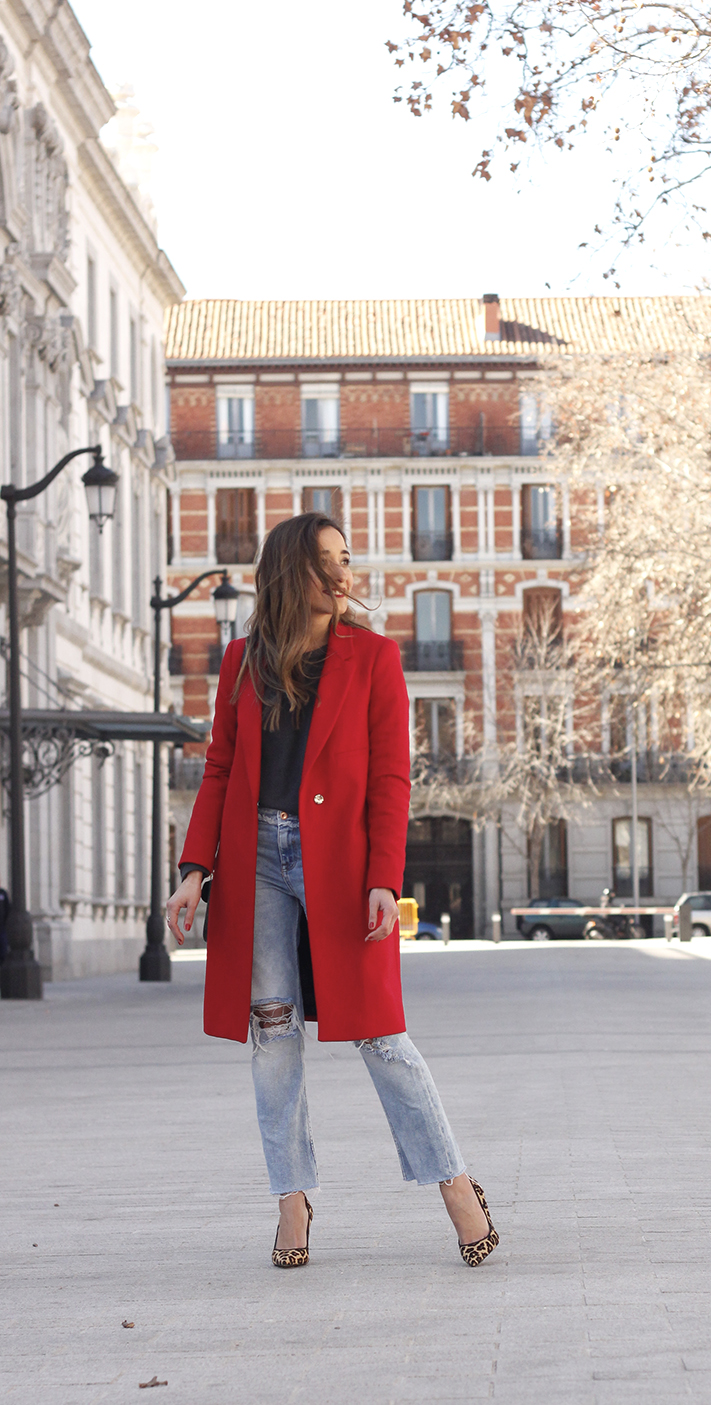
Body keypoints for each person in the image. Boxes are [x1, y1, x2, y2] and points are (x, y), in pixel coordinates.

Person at [165, 512, 498, 1270]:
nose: (342, 574)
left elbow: (390, 777)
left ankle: (454, 1183)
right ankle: (292, 1198)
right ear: (290, 572)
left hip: (340, 863)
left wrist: (385, 877)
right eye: (325, 562)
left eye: (344, 559)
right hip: (255, 859)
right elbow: (220, 766)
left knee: (380, 1031)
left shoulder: (374, 657)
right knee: (273, 1031)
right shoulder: (243, 659)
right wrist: (195, 869)